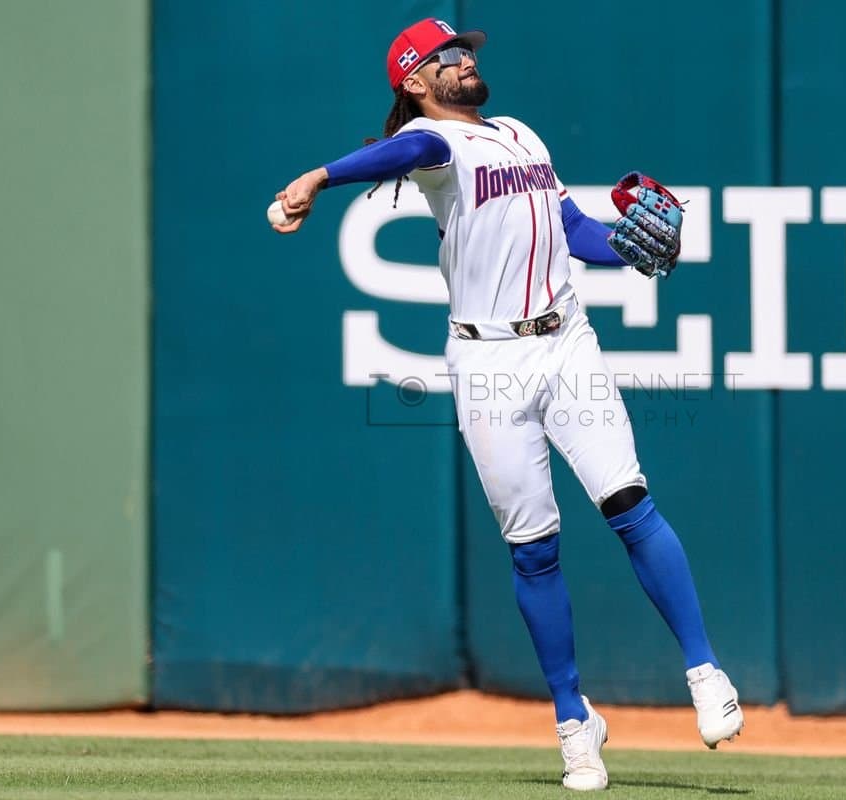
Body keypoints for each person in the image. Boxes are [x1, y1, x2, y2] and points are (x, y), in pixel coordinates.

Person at [273, 18, 743, 792]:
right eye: (446, 57)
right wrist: (320, 177)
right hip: (489, 357)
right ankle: (572, 723)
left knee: (629, 502)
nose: (464, 61)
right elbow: (405, 151)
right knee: (535, 547)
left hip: (566, 342)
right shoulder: (435, 144)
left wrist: (624, 243)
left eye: (466, 53)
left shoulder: (521, 134)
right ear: (416, 82)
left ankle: (703, 669)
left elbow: (570, 227)